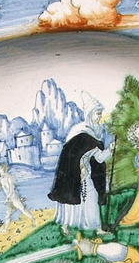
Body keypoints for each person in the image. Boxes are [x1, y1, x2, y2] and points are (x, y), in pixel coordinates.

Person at [48, 92, 114, 235]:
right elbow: (70, 154)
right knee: (71, 198)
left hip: (87, 171)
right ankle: (66, 225)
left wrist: (111, 149)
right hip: (74, 172)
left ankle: (96, 227)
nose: (100, 116)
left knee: (91, 197)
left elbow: (99, 158)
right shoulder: (79, 131)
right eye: (97, 114)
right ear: (89, 114)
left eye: (100, 113)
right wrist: (77, 168)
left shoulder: (96, 131)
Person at [0, 162, 35, 232]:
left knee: (23, 210)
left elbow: (11, 190)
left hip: (14, 199)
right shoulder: (1, 180)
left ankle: (34, 220)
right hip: (9, 200)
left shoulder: (9, 178)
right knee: (7, 215)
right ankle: (5, 229)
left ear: (3, 169)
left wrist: (7, 198)